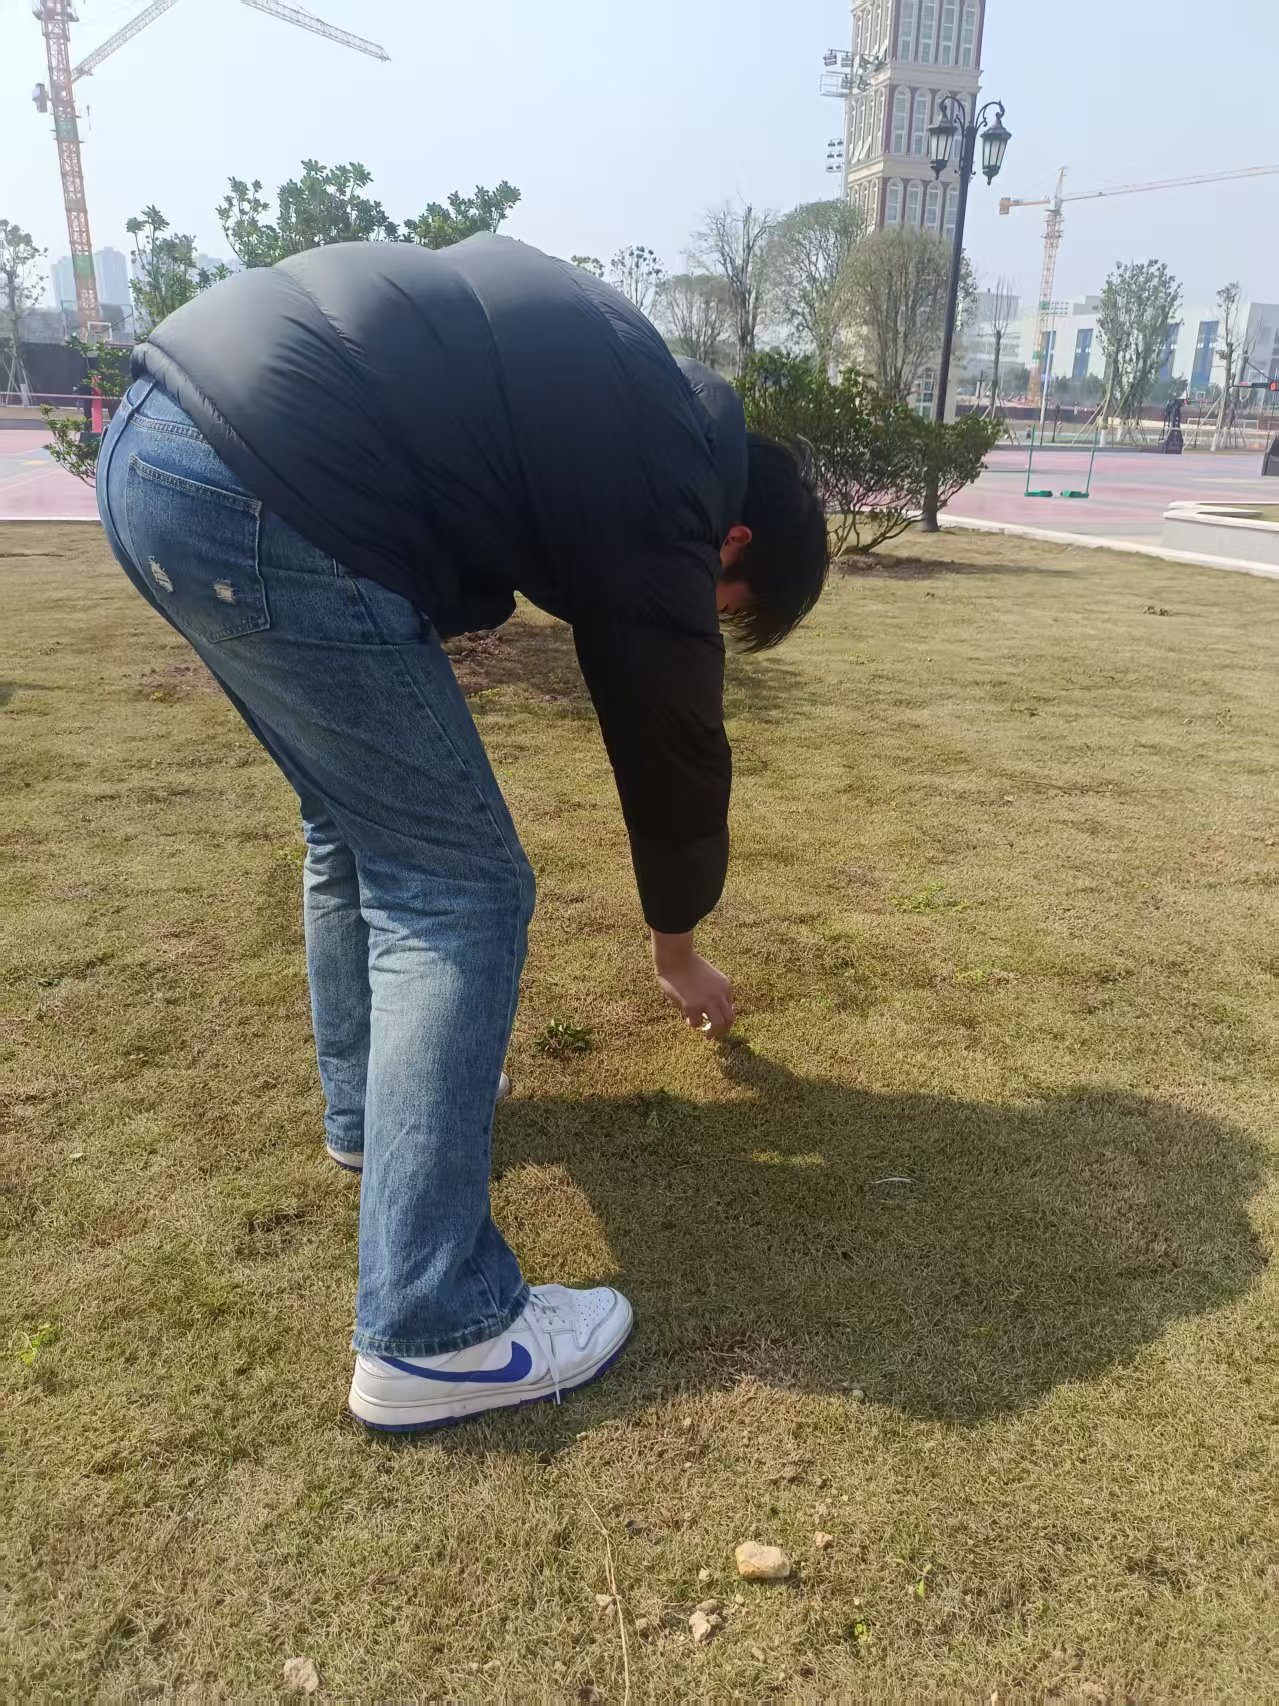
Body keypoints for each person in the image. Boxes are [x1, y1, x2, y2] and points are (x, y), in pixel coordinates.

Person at [96, 234, 829, 1432]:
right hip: (270, 479)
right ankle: (436, 1326)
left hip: (157, 439)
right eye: (725, 604)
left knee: (351, 823)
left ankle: (364, 1116)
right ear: (734, 541)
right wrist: (677, 944)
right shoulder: (669, 481)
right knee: (462, 887)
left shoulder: (630, 392)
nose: (704, 610)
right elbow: (673, 734)